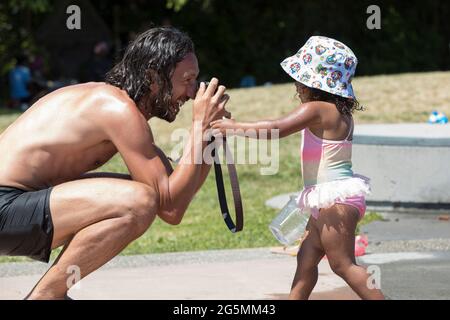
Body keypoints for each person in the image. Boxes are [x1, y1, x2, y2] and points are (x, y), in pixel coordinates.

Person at [0, 27, 230, 299]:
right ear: (153, 76)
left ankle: (52, 294)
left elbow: (174, 200)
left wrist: (208, 138)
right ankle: (47, 296)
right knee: (138, 201)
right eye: (187, 80)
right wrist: (199, 126)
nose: (192, 93)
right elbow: (168, 207)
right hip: (7, 204)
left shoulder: (116, 106)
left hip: (16, 202)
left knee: (143, 194)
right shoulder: (119, 110)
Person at [211, 36, 385, 300]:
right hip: (326, 200)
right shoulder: (338, 112)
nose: (296, 84)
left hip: (332, 201)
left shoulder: (318, 109)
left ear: (313, 82)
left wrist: (232, 127)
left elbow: (276, 128)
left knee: (342, 265)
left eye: (299, 78)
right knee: (305, 261)